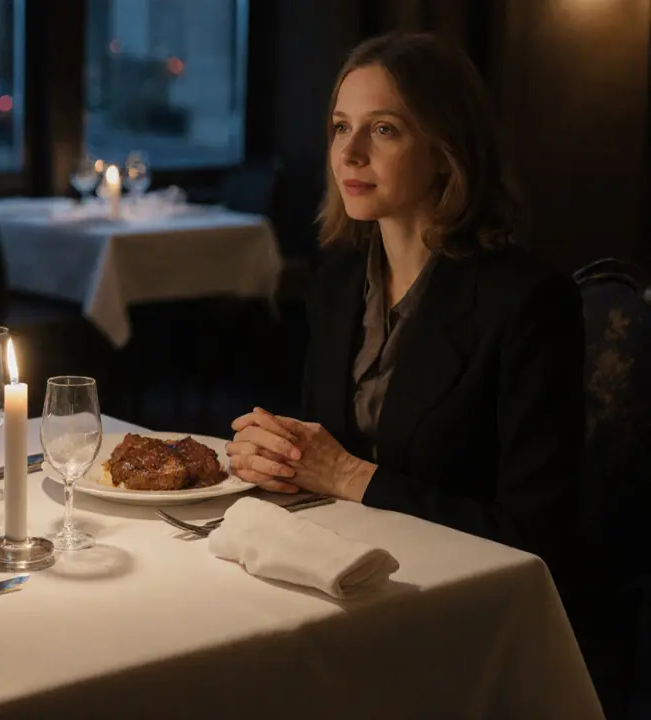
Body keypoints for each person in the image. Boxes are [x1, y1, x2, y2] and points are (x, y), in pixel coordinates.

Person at [226, 33, 584, 568]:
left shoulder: (528, 302)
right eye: (341, 127)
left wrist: (347, 475)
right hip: (346, 570)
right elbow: (324, 452)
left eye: (384, 130)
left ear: (446, 151)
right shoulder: (336, 285)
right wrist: (278, 453)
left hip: (465, 596)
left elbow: (534, 532)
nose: (349, 152)